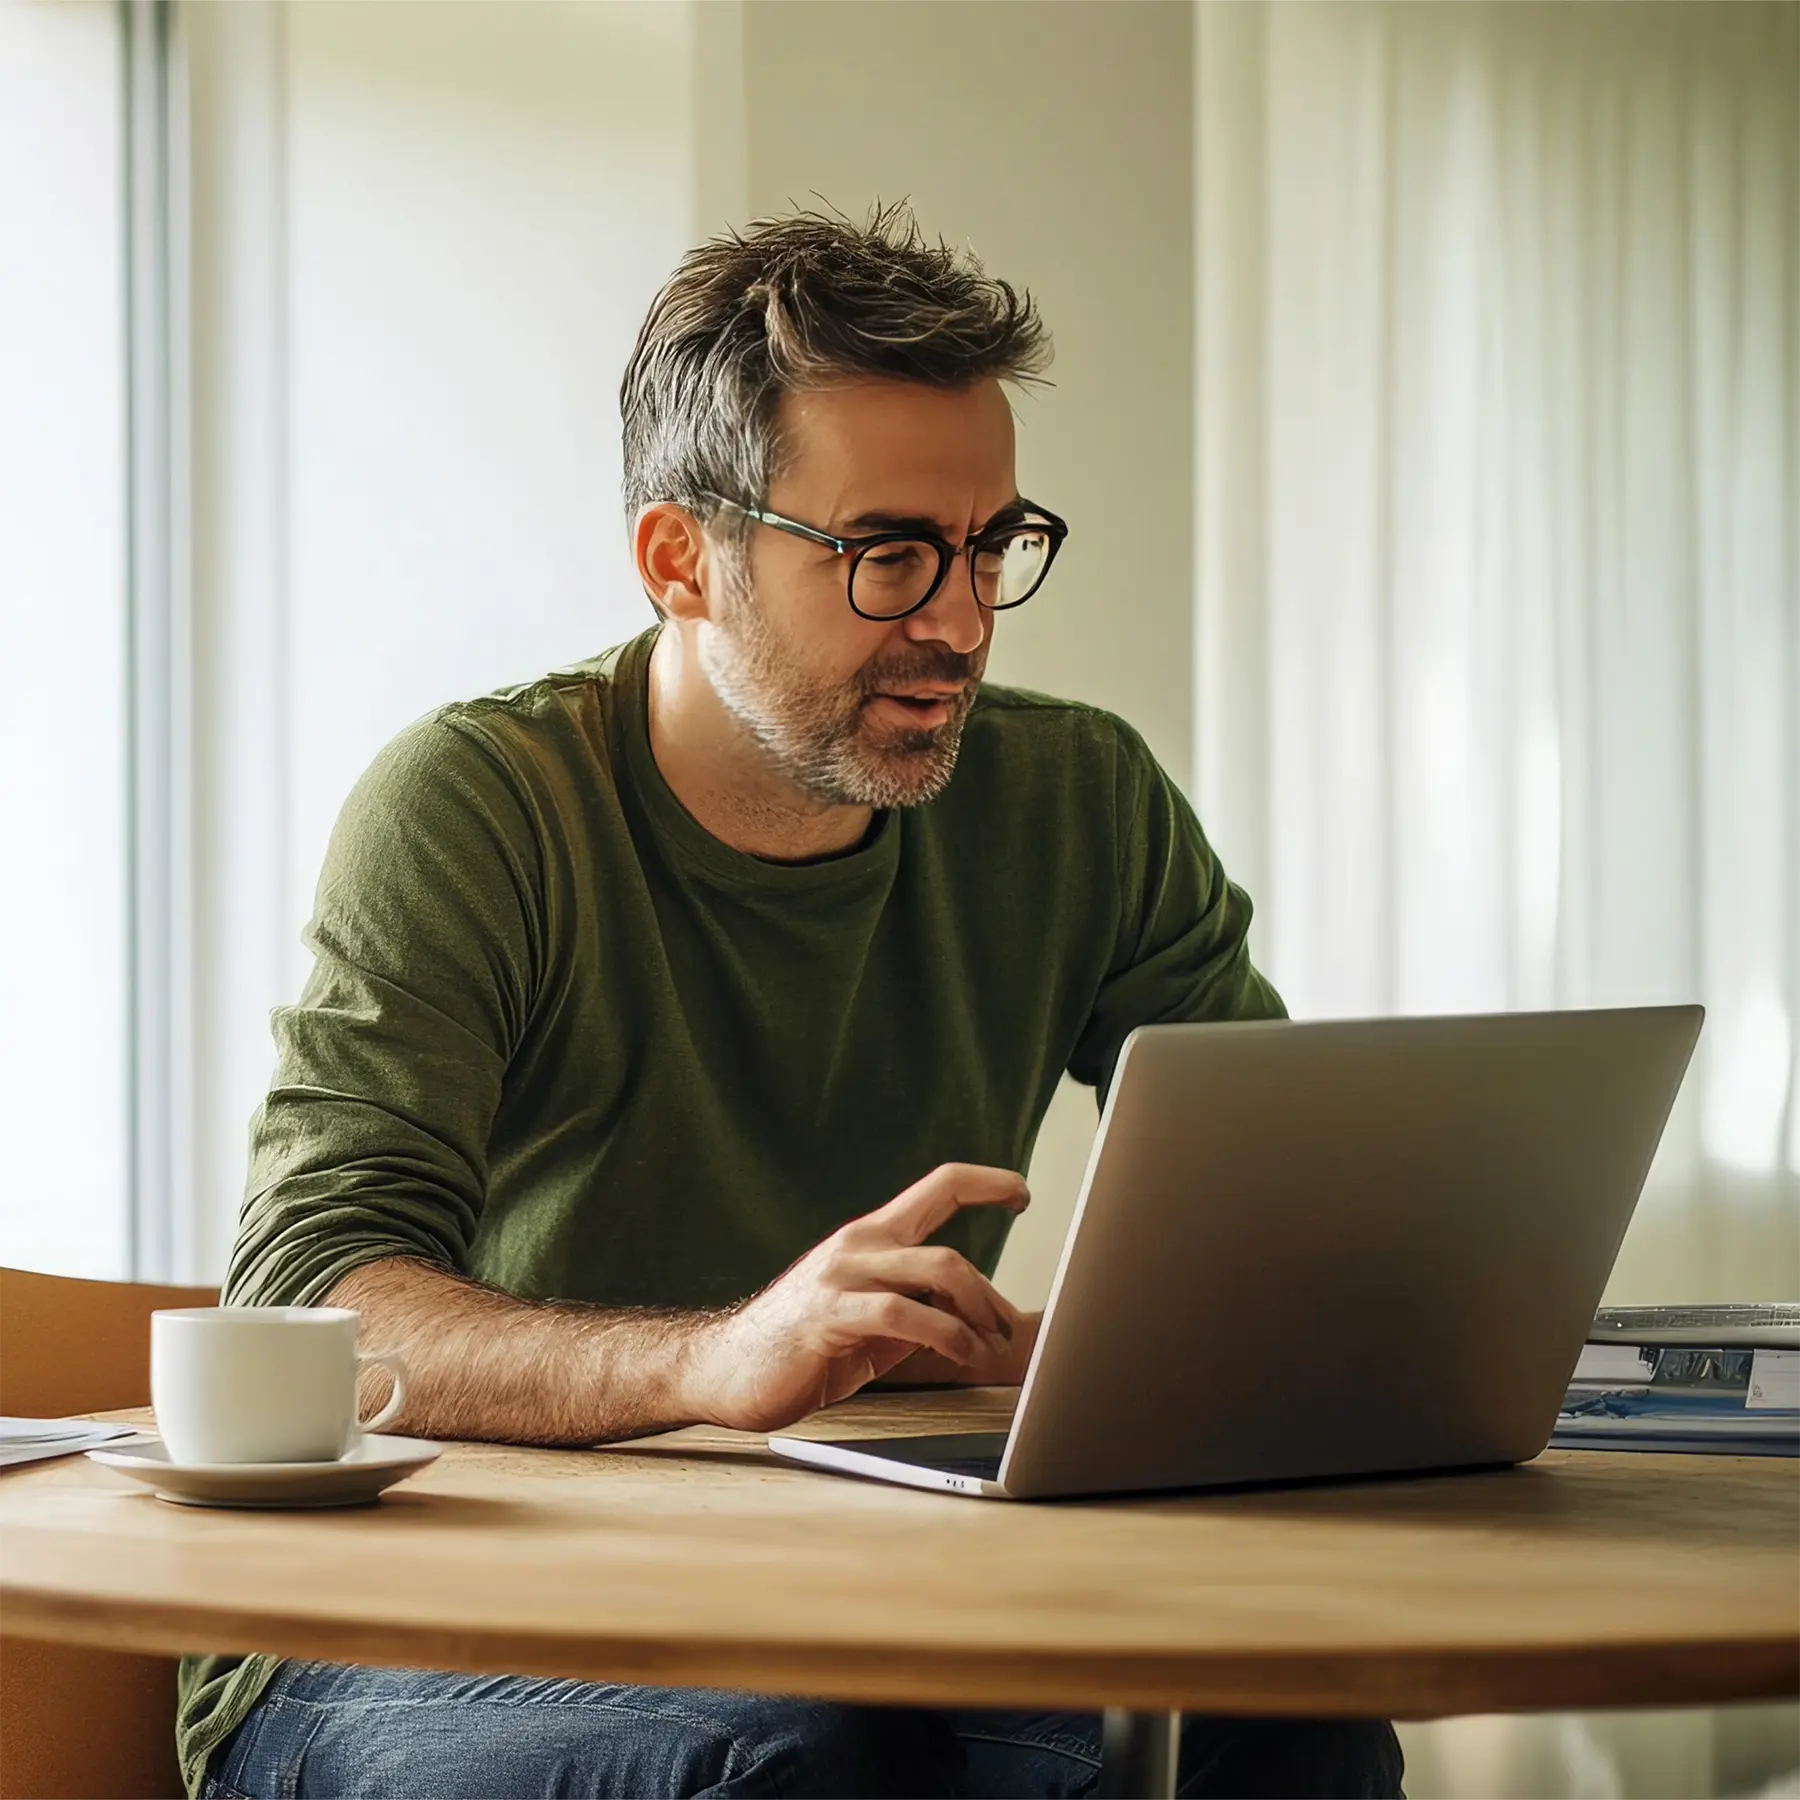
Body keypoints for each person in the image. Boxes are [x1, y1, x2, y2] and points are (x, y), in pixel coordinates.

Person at [180, 205, 1403, 1800]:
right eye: (888, 554)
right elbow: (310, 1306)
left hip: (866, 1601)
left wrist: (1106, 1356)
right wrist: (712, 1362)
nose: (960, 622)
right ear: (681, 559)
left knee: (1280, 1746)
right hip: (401, 1627)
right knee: (795, 1766)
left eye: (991, 547)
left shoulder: (1080, 800)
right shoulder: (479, 808)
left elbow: (1283, 1191)